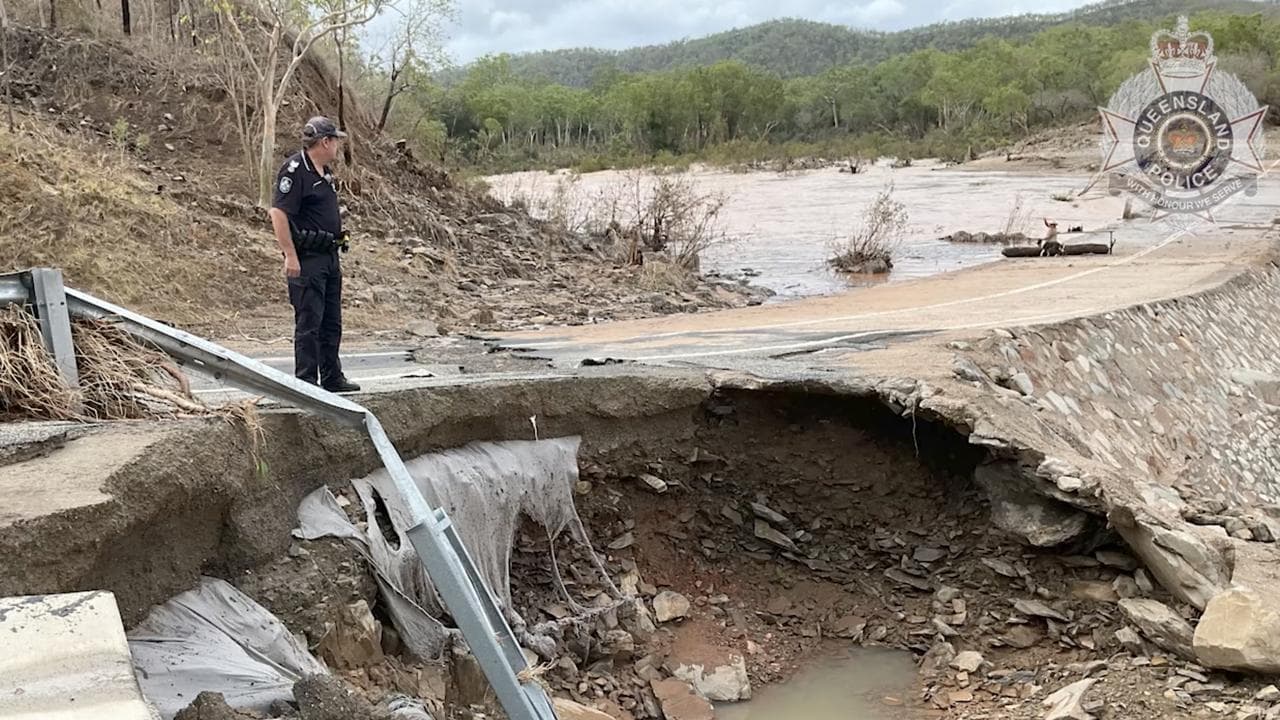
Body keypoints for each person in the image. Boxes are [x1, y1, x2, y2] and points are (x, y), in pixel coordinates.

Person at [268, 116, 360, 393]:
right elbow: (278, 213)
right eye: (335, 141)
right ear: (325, 142)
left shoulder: (325, 173)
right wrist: (289, 255)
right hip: (307, 258)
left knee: (331, 322)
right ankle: (307, 381)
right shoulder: (295, 170)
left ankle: (332, 378)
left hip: (329, 256)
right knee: (310, 322)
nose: (337, 147)